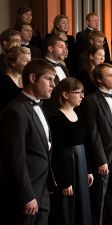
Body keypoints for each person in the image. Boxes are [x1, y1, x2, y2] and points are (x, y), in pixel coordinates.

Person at [0, 59, 56, 225]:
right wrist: (27, 196)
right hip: (26, 196)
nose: (54, 85)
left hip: (42, 191)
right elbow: (13, 159)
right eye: (49, 79)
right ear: (33, 78)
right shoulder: (15, 111)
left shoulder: (39, 106)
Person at [81, 63, 112, 225]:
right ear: (99, 79)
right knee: (100, 197)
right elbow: (93, 134)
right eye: (110, 75)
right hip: (102, 158)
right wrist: (101, 160)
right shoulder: (90, 101)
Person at [48, 77, 93, 225]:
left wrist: (89, 170)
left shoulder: (79, 114)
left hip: (81, 164)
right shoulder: (56, 118)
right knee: (69, 208)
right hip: (68, 167)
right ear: (65, 94)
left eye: (83, 92)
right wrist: (65, 181)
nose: (82, 96)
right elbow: (57, 152)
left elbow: (85, 144)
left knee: (82, 205)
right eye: (78, 92)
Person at [0, 47, 31, 111]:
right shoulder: (4, 81)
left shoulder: (28, 80)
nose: (29, 64)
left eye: (29, 61)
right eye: (25, 61)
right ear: (13, 63)